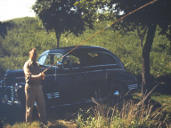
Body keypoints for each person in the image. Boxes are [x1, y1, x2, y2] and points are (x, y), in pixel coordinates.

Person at [23, 48, 47, 124]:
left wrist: (42, 76)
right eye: (33, 54)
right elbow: (29, 77)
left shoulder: (38, 64)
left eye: (35, 54)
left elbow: (41, 76)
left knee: (41, 106)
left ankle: (43, 123)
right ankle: (28, 124)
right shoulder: (27, 64)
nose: (34, 55)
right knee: (29, 108)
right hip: (30, 88)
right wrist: (39, 76)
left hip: (39, 87)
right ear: (30, 54)